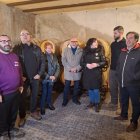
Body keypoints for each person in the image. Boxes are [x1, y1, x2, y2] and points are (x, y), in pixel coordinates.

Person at [13, 29, 45, 123]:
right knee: (22, 97)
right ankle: (22, 115)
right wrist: (19, 76)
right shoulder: (16, 49)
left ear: (30, 36)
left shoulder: (36, 48)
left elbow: (43, 61)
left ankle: (33, 111)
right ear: (20, 37)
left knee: (34, 95)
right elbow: (13, 64)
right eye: (22, 34)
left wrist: (39, 74)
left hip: (35, 77)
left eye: (27, 34)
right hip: (23, 78)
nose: (25, 36)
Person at [0, 35, 25, 138]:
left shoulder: (14, 56)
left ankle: (11, 128)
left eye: (8, 41)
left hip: (16, 91)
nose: (6, 43)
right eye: (3, 41)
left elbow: (19, 71)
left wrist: (21, 84)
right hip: (4, 93)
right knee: (3, 115)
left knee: (13, 112)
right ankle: (4, 132)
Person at [115, 31, 140, 132]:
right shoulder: (123, 51)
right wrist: (118, 75)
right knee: (123, 100)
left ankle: (134, 122)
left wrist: (135, 77)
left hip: (134, 84)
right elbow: (119, 65)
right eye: (127, 38)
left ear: (136, 40)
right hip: (122, 82)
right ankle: (123, 115)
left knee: (136, 103)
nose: (128, 40)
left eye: (130, 38)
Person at [80, 38, 106, 112]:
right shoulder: (85, 50)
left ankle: (97, 103)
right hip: (87, 72)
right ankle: (92, 102)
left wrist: (97, 64)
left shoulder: (100, 50)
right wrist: (86, 65)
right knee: (90, 88)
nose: (96, 43)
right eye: (95, 42)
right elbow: (81, 63)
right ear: (90, 43)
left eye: (97, 42)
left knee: (96, 89)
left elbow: (104, 62)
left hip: (96, 73)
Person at [108, 26, 126, 113]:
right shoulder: (113, 44)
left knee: (121, 89)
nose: (114, 35)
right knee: (112, 87)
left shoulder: (126, 44)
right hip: (112, 69)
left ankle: (121, 107)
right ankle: (114, 102)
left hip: (122, 70)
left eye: (115, 33)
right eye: (114, 33)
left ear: (121, 33)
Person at [61, 37, 83, 106]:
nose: (74, 42)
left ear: (77, 42)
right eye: (72, 41)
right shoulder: (65, 50)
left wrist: (77, 68)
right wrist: (70, 68)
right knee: (67, 86)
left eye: (75, 41)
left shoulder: (81, 50)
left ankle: (75, 99)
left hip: (77, 71)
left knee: (76, 87)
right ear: (70, 42)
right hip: (68, 71)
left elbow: (82, 61)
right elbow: (63, 60)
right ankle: (65, 100)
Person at [40, 41, 60, 115]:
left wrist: (55, 75)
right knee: (44, 93)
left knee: (49, 92)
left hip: (52, 79)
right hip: (45, 78)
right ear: (45, 49)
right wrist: (49, 76)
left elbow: (58, 66)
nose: (49, 49)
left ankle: (49, 104)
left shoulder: (54, 56)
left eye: (50, 48)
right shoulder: (43, 56)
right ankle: (42, 107)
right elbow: (41, 68)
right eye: (48, 48)